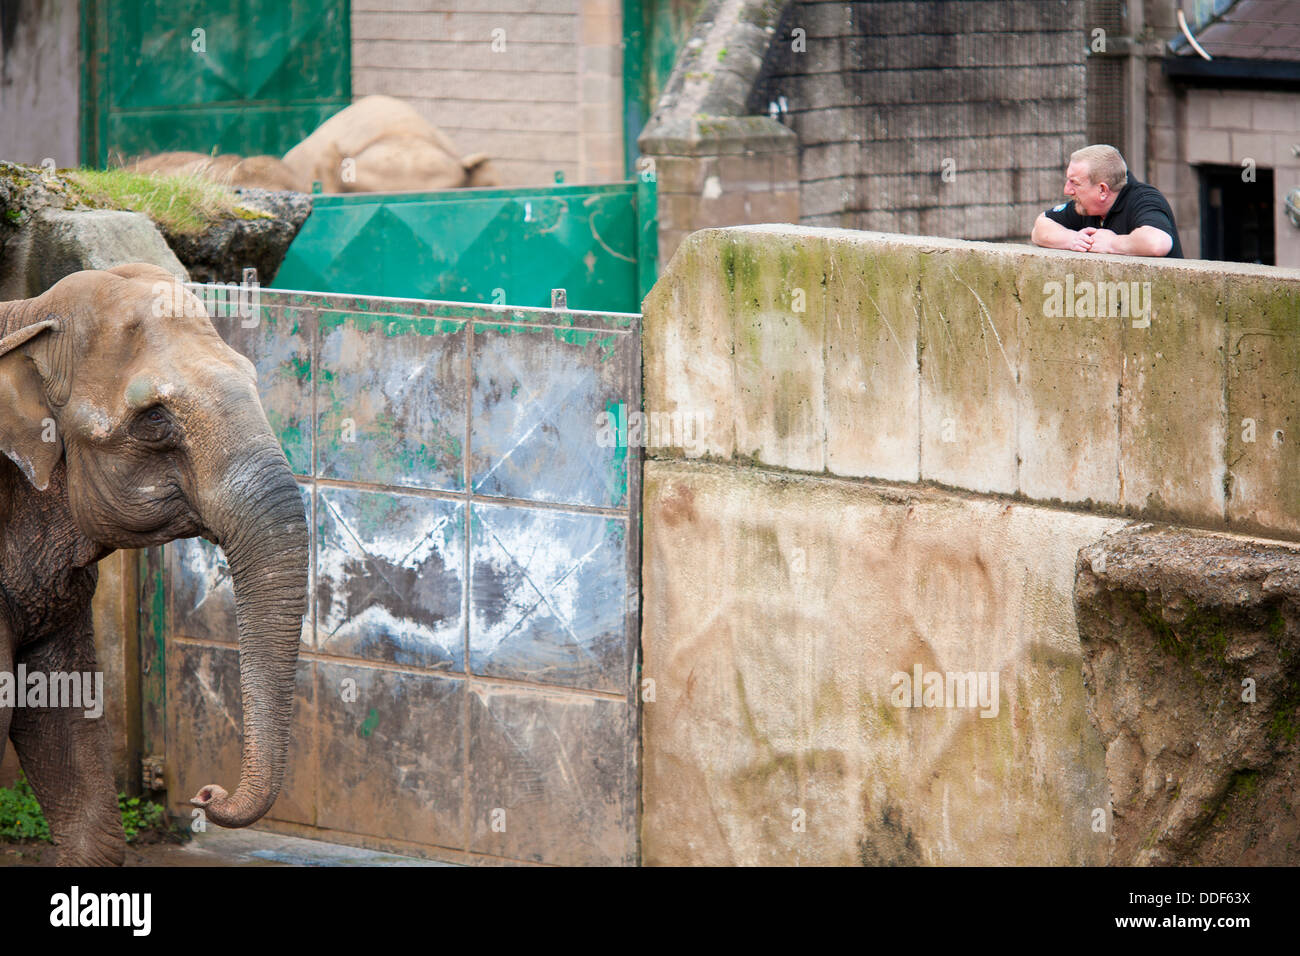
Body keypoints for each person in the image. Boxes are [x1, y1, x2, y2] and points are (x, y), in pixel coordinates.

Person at [1031, 144, 1183, 258]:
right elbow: (1040, 228)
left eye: (1074, 183)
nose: (1067, 190)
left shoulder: (1144, 200)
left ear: (1103, 190)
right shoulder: (1087, 206)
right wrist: (1072, 239)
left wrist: (1112, 243)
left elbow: (1157, 243)